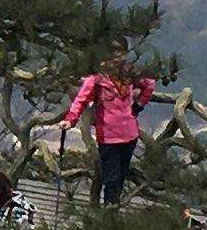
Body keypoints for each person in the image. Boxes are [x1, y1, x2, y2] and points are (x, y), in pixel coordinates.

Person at [60, 44, 154, 207]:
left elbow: (149, 84)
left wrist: (138, 105)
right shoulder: (96, 79)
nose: (118, 58)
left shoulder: (129, 74)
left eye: (121, 54)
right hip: (109, 137)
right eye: (114, 54)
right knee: (112, 179)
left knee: (120, 177)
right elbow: (81, 100)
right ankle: (110, 213)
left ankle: (112, 211)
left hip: (129, 135)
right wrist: (70, 119)